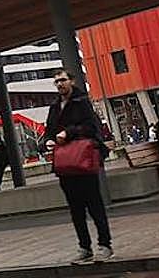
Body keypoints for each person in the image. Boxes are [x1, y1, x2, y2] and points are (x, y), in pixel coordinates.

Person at [43, 68, 112, 264]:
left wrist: (69, 133)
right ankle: (84, 247)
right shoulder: (54, 107)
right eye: (56, 82)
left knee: (94, 204)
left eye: (63, 80)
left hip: (83, 160)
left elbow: (92, 127)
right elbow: (50, 130)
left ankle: (105, 244)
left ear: (71, 81)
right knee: (75, 208)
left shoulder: (82, 102)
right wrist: (48, 140)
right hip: (66, 164)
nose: (59, 84)